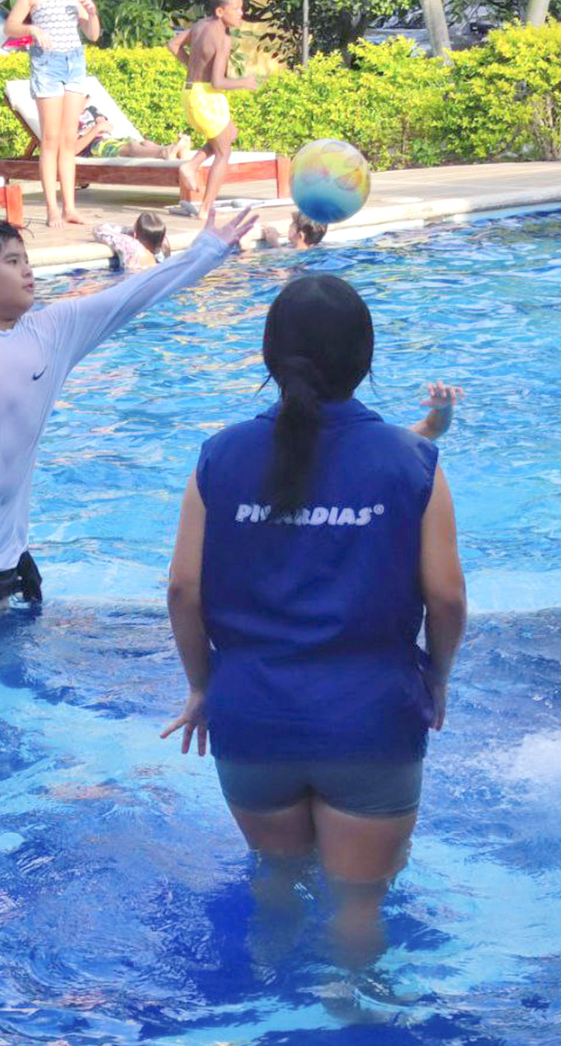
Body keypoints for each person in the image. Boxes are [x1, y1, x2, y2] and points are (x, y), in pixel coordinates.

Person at [161, 275, 467, 969]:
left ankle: (263, 995)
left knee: (276, 882)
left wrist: (204, 686)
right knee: (358, 906)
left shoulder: (221, 455)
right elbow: (446, 599)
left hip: (252, 717)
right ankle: (347, 1011)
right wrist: (438, 677)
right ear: (366, 362)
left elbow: (183, 589)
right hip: (370, 719)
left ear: (271, 359)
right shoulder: (412, 460)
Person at [0, 207, 257, 635]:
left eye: (27, 260)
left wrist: (208, 250)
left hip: (2, 541)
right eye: (13, 261)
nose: (28, 271)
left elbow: (133, 294)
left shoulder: (54, 331)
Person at [5, 0, 100, 229]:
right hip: (47, 64)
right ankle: (52, 210)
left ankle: (69, 207)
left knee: (69, 140)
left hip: (75, 61)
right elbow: (10, 26)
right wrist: (32, 30)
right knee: (51, 139)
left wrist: (92, 14)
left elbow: (92, 34)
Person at [167, 0, 258, 222]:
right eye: (236, 8)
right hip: (206, 97)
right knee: (223, 152)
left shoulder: (199, 26)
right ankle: (205, 210)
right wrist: (244, 82)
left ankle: (190, 166)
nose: (241, 13)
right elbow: (218, 82)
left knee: (231, 133)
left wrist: (193, 69)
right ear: (220, 12)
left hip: (191, 92)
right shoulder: (223, 39)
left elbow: (173, 45)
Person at [75, 103, 193, 162]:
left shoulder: (91, 109)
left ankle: (176, 151)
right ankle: (165, 152)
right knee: (131, 148)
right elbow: (74, 149)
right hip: (93, 147)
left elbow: (109, 126)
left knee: (145, 144)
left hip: (109, 139)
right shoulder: (67, 119)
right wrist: (96, 128)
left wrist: (99, 126)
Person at [93, 211, 170, 272]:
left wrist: (128, 231)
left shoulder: (131, 245)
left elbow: (99, 229)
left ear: (135, 234)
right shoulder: (164, 249)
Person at [261, 211, 329, 251]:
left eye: (293, 223)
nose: (289, 226)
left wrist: (274, 241)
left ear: (300, 235)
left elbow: (280, 254)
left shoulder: (291, 255)